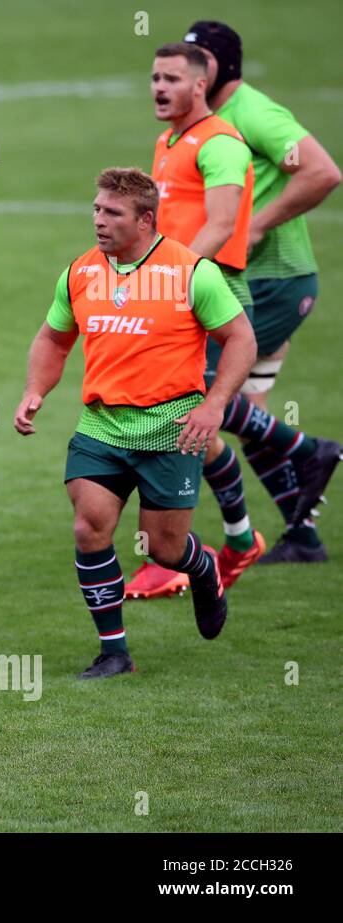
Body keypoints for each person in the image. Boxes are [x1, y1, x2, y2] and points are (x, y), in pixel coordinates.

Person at [14, 168, 255, 679]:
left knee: (165, 549)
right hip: (102, 428)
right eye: (97, 209)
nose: (99, 221)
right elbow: (54, 339)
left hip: (172, 430)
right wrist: (36, 390)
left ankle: (202, 565)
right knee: (88, 526)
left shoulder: (192, 272)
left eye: (112, 213)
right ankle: (114, 652)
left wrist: (213, 406)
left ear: (145, 220)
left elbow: (241, 339)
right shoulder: (80, 272)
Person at [183, 21, 342, 563]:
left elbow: (322, 171)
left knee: (200, 396)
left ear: (224, 65)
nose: (188, 71)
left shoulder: (252, 113)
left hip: (273, 281)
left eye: (198, 59)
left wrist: (255, 226)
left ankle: (310, 454)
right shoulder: (207, 121)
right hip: (256, 282)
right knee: (250, 414)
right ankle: (302, 537)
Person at [125, 42, 264, 598]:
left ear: (201, 85)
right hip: (176, 302)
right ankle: (235, 537)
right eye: (155, 77)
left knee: (181, 421)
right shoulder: (169, 140)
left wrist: (172, 275)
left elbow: (224, 222)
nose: (159, 87)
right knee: (188, 424)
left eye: (172, 79)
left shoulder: (222, 143)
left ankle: (172, 556)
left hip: (208, 300)